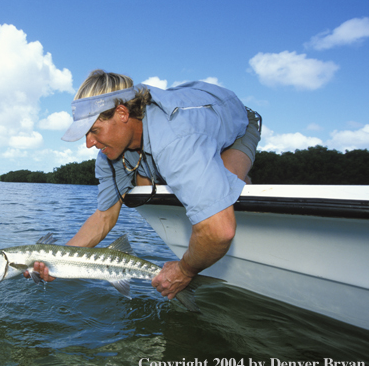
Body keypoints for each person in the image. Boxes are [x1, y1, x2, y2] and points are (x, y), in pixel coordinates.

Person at [24, 69, 261, 301]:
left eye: (94, 131)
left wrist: (184, 270)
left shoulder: (176, 139)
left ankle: (235, 181)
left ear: (122, 113)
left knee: (225, 194)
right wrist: (56, 263)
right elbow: (103, 218)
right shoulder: (108, 155)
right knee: (147, 187)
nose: (88, 144)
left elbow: (220, 231)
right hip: (168, 138)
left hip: (233, 122)